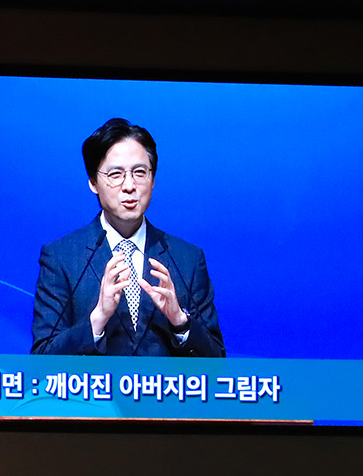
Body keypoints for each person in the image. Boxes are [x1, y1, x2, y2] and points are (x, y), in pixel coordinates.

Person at [32, 118, 224, 358]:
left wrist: (180, 322)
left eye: (140, 172)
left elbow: (217, 360)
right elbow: (42, 359)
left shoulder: (187, 259)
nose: (129, 186)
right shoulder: (62, 257)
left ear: (153, 180)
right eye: (116, 174)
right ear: (93, 182)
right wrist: (97, 318)